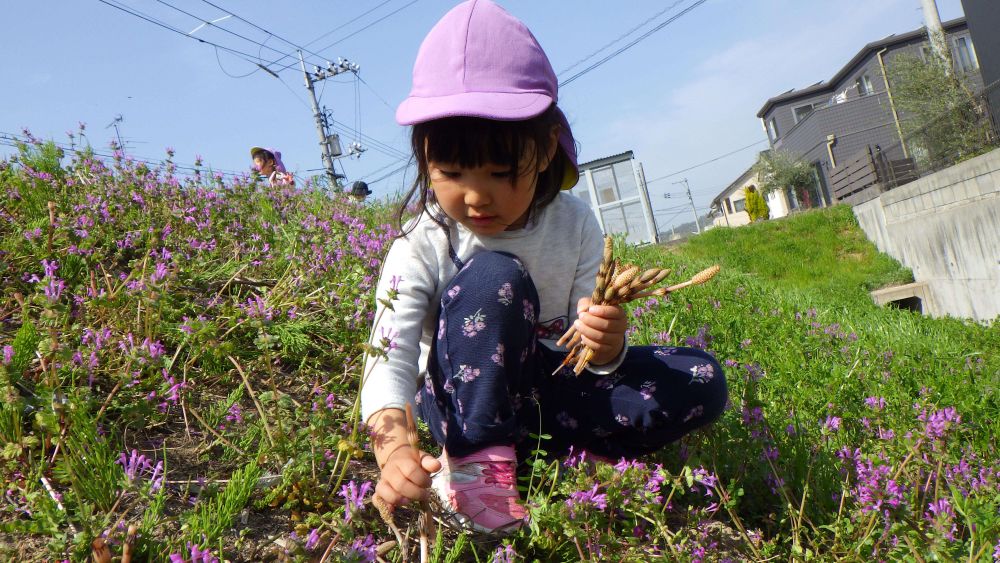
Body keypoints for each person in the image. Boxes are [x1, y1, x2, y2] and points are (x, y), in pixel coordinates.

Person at [361, 0, 727, 536]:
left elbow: (587, 351)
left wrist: (607, 345)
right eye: (451, 171)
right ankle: (476, 470)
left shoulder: (575, 224)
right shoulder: (421, 243)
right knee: (494, 277)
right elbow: (388, 357)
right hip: (461, 404)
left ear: (545, 147)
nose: (476, 195)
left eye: (503, 171)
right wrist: (394, 450)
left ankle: (551, 462)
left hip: (551, 393)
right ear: (424, 159)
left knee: (700, 377)